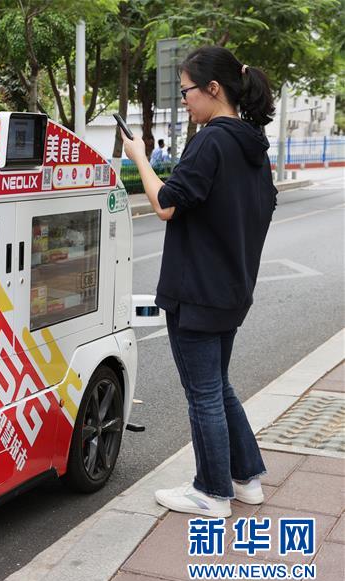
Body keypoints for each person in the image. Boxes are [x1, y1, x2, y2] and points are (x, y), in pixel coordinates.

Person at [120, 46, 277, 518]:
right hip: (231, 290)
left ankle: (211, 492)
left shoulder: (211, 141)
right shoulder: (253, 146)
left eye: (188, 90)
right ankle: (246, 477)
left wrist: (139, 156)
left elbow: (166, 203)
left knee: (204, 392)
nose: (184, 99)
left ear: (214, 89)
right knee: (218, 387)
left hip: (197, 293)